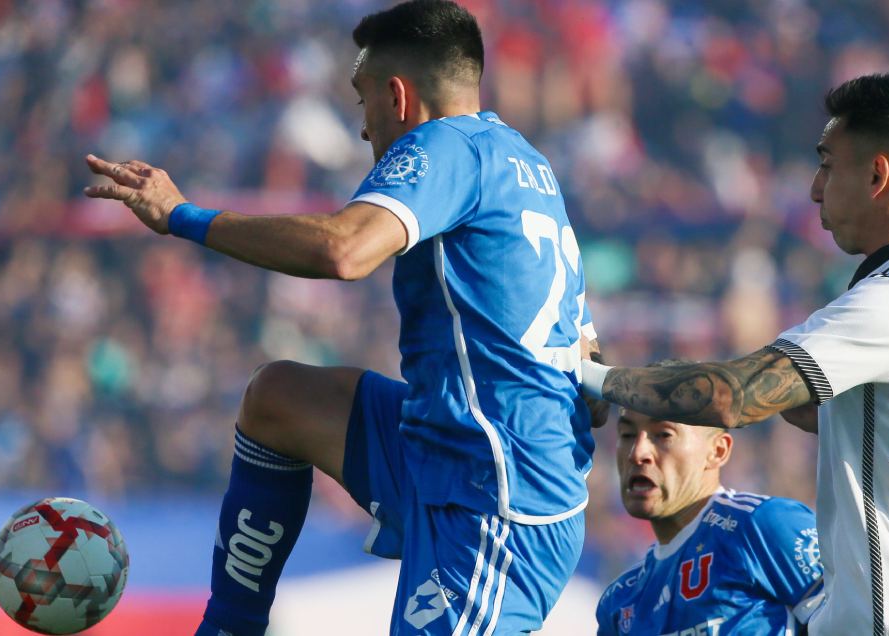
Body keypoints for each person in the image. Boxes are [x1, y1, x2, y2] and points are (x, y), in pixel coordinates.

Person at [84, 2, 602, 634]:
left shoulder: (444, 145)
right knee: (279, 399)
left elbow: (344, 250)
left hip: (496, 499)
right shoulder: (526, 164)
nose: (363, 129)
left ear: (397, 96)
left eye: (363, 102)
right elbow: (586, 356)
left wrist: (182, 216)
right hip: (444, 445)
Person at [582, 72, 889, 635]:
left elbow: (731, 397)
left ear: (878, 175)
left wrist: (589, 374)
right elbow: (826, 411)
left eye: (828, 165)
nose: (814, 189)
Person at [596, 361, 824, 636]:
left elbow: (858, 618)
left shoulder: (763, 528)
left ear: (717, 451)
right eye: (627, 434)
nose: (637, 452)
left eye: (663, 434)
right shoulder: (619, 601)